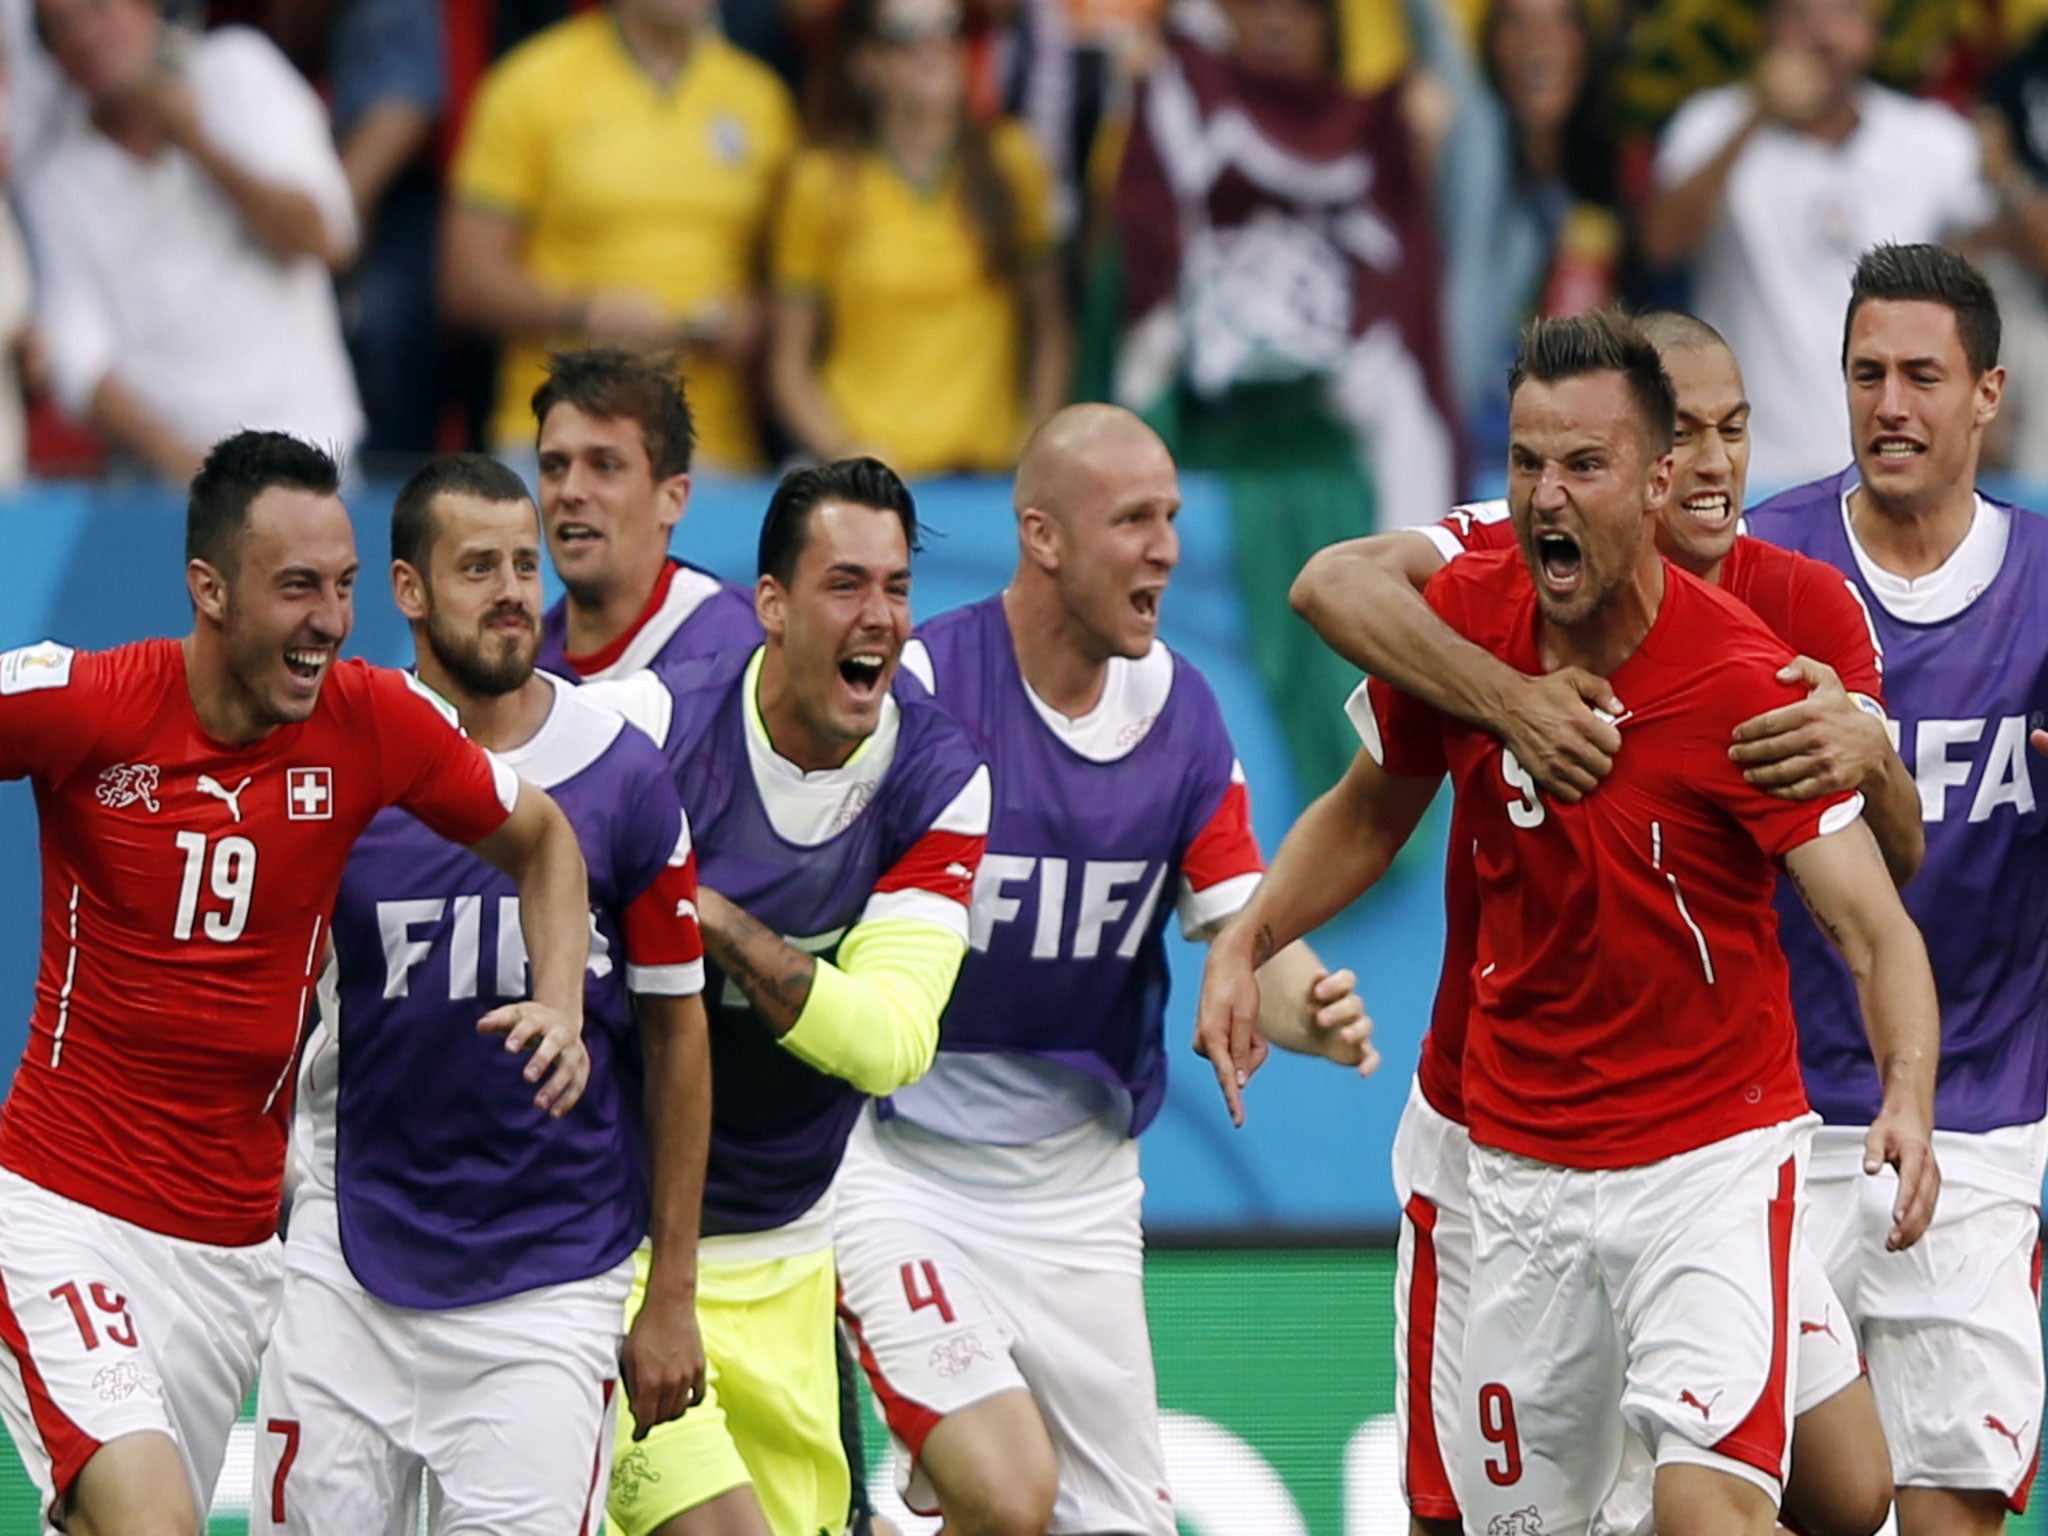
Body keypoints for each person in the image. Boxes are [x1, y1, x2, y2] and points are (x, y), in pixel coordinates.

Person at [1204, 312, 1943, 1536]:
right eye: (1524, 464)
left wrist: (1906, 1095)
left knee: (1733, 1509)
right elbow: (1373, 805)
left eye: (1582, 467)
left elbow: (1875, 922)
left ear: (1651, 484)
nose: (1546, 494)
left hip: (1704, 1160)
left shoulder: (1744, 675)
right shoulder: (1461, 618)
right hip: (1511, 1166)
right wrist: (1249, 937)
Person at [0, 431, 591, 1536]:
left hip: (230, 1253)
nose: (328, 619)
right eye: (297, 588)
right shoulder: (90, 704)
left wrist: (560, 1001)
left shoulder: (368, 723)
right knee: (153, 1521)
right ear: (209, 588)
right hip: (64, 1209)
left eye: (344, 586)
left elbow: (546, 842)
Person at [830, 404, 1375, 1536]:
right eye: (1133, 519)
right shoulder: (921, 694)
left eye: (1171, 517)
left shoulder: (1179, 712)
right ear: (1042, 537)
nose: (1166, 547)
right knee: (1007, 1489)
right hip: (898, 1171)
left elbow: (1242, 931)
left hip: (1077, 1196)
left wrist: (1306, 1007)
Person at [252, 456, 711, 1533]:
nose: (512, 591)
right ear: (407, 590)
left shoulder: (620, 770)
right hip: (348, 1254)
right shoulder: (332, 758)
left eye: (522, 563)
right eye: (476, 568)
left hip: (547, 1285)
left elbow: (677, 1035)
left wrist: (673, 1295)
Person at [587, 458, 991, 1536]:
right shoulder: (646, 733)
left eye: (896, 587)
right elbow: (484, 799)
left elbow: (890, 1043)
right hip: (611, 1253)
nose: (880, 617)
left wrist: (711, 922)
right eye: (844, 584)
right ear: (770, 605)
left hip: (788, 1255)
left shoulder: (935, 777)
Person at [1742, 242, 2048, 1536]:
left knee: (1945, 1514)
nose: (1890, 405)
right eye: (1867, 373)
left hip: (1981, 1117)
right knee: (1762, 1502)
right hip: (1766, 1119)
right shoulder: (1758, 567)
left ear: (1987, 392)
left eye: (1924, 376)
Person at [1640, 0, 1992, 491]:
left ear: (1873, 27)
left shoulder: (1934, 142)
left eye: (1843, 12)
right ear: (1767, 26)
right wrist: (1756, 115)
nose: (1823, 34)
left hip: (1894, 468)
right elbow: (1660, 246)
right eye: (1801, 13)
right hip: (1750, 470)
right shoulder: (1711, 122)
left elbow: (1977, 298)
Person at [444, 0, 797, 471]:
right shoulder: (531, 82)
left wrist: (750, 320)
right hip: (559, 440)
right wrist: (584, 312)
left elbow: (799, 281)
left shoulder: (762, 99)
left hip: (713, 451)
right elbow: (466, 279)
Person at [22, 0, 364, 482]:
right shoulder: (54, 179)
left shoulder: (241, 71)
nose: (83, 36)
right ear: (53, 59)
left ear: (146, 8)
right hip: (165, 486)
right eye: (60, 28)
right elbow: (80, 363)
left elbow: (327, 237)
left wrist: (197, 141)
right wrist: (198, 474)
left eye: (98, 10)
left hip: (312, 457)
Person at [767, 0, 1071, 475]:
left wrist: (1033, 441)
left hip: (988, 475)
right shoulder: (822, 181)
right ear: (864, 62)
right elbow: (789, 363)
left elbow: (1050, 328)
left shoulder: (1013, 163)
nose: (934, 49)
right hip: (872, 481)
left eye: (949, 29)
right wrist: (846, 451)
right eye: (908, 34)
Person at [532, 348, 761, 681]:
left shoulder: (744, 651)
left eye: (605, 466)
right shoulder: (517, 669)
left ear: (672, 499)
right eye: (554, 466)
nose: (570, 491)